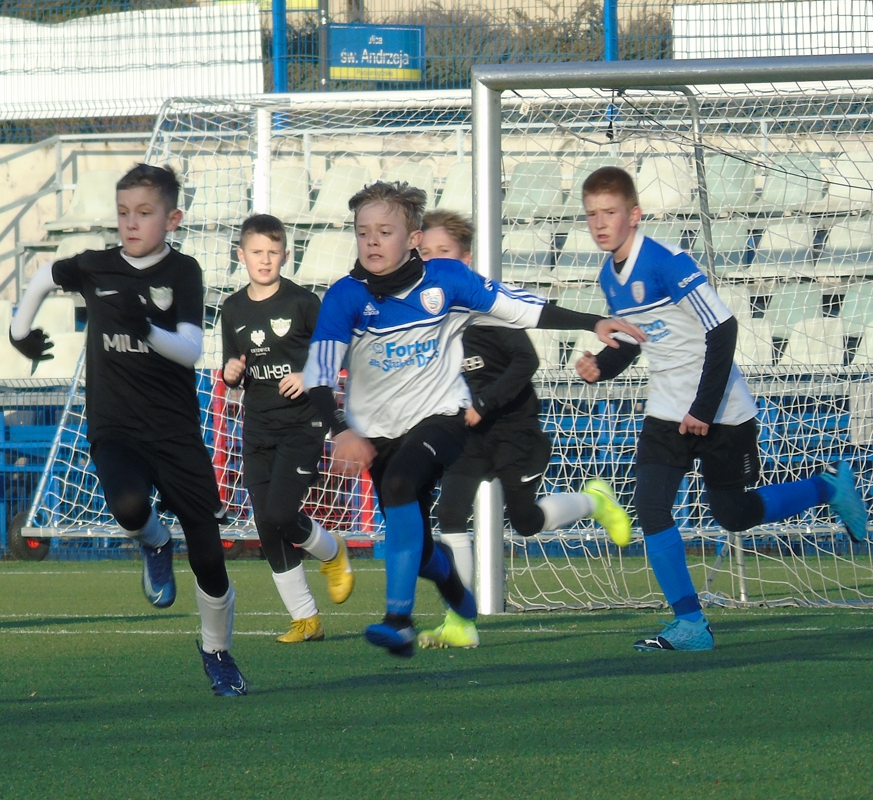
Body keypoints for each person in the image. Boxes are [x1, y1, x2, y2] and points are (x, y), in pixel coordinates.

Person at [302, 181, 645, 657]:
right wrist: (340, 430)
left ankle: (397, 621)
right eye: (363, 232)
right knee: (422, 551)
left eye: (385, 231)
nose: (373, 241)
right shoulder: (343, 297)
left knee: (403, 484)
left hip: (442, 418)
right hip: (377, 433)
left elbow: (520, 307)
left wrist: (591, 321)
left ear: (414, 238)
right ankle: (459, 600)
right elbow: (318, 373)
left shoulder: (447, 280)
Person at [574, 166, 867, 651]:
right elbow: (632, 342)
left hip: (722, 412)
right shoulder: (609, 275)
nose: (600, 223)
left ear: (634, 215)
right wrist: (600, 367)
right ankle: (691, 624)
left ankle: (827, 486)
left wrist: (703, 410)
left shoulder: (667, 261)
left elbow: (723, 328)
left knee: (732, 515)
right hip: (667, 413)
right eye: (591, 215)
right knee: (650, 507)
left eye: (610, 213)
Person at [9, 164, 247, 695]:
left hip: (176, 431)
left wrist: (144, 325)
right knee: (129, 507)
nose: (131, 224)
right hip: (115, 425)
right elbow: (46, 274)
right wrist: (18, 330)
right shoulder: (97, 266)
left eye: (144, 213)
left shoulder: (182, 273)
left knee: (209, 552)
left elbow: (189, 350)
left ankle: (216, 651)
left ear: (173, 218)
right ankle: (154, 543)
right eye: (123, 213)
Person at [416, 210, 633, 650]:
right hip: (467, 436)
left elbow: (526, 363)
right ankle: (460, 622)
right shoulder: (425, 315)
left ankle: (594, 501)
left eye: (444, 252)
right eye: (425, 253)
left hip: (514, 430)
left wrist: (486, 401)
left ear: (466, 259)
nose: (434, 260)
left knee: (526, 522)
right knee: (450, 515)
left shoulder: (489, 307)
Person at [220, 214, 353, 644]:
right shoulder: (233, 308)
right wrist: (231, 371)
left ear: (286, 255)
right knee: (265, 525)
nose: (264, 260)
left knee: (280, 514)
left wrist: (307, 372)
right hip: (258, 426)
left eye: (273, 252)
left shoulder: (303, 303)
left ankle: (332, 552)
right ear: (241, 256)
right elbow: (230, 369)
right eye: (256, 252)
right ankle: (306, 620)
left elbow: (332, 354)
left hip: (303, 424)